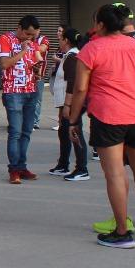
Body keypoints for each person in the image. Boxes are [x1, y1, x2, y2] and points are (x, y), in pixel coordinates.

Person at [69, 5, 135, 248]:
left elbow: (80, 88)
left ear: (100, 24)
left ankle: (122, 231)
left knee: (116, 174)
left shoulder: (91, 49)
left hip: (108, 116)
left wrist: (73, 119)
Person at [0, 15, 43, 183]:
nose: (29, 38)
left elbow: (32, 64)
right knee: (15, 132)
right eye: (27, 34)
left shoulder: (32, 43)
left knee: (26, 132)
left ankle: (22, 167)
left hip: (31, 90)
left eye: (33, 35)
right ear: (19, 28)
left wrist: (36, 70)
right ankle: (14, 169)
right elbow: (4, 64)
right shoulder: (6, 39)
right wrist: (22, 50)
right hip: (13, 91)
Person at [49, 28, 88, 182]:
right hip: (67, 103)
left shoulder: (72, 57)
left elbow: (72, 83)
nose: (58, 40)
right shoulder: (69, 55)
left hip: (72, 103)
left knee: (74, 132)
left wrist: (67, 105)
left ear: (66, 40)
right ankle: (63, 164)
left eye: (61, 38)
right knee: (64, 132)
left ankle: (82, 169)